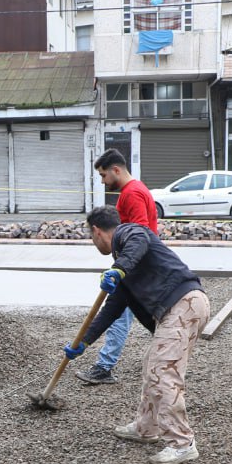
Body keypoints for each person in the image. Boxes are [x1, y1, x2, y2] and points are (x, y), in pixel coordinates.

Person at [63, 206, 210, 464]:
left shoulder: (128, 233)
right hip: (179, 308)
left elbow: (140, 239)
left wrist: (119, 268)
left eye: (91, 236)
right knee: (152, 366)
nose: (93, 242)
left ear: (97, 231)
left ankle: (182, 443)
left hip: (183, 304)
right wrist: (83, 341)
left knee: (164, 372)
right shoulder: (125, 267)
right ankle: (147, 428)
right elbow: (111, 309)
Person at [76, 149, 159, 386]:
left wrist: (123, 269)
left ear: (116, 170)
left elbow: (140, 233)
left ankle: (104, 367)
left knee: (119, 315)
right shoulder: (135, 190)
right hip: (137, 264)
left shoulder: (131, 193)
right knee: (148, 316)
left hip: (136, 266)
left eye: (103, 175)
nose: (102, 181)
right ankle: (170, 350)